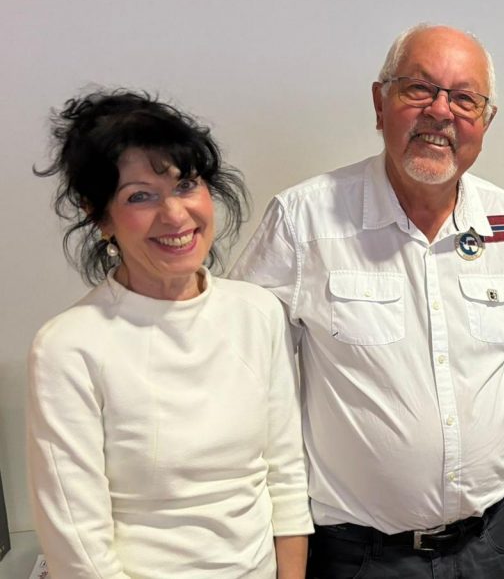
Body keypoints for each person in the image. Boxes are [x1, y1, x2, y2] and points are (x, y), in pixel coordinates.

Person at [230, 24, 504, 578]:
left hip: (489, 547)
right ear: (380, 102)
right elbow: (238, 375)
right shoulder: (303, 220)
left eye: (464, 98)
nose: (440, 112)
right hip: (362, 558)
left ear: (486, 122)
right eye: (419, 88)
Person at [28, 90, 312, 578]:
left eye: (185, 185)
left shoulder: (258, 313)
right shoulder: (67, 348)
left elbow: (285, 480)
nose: (175, 215)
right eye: (140, 196)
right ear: (99, 215)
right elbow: (79, 548)